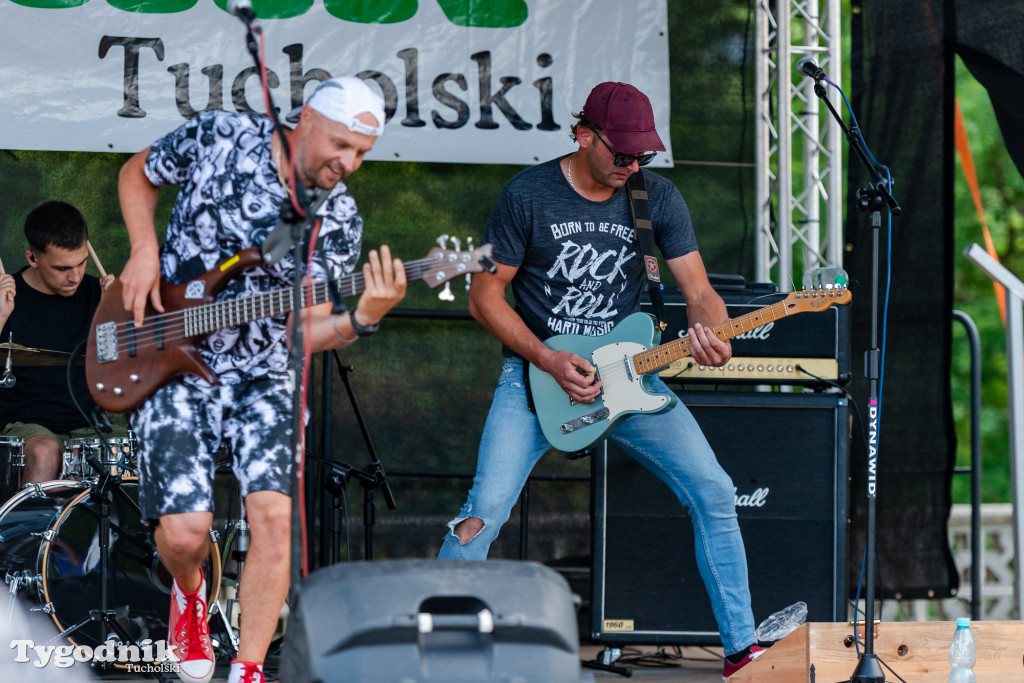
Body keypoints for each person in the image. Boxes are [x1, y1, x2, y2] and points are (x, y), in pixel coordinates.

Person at [437, 82, 764, 678]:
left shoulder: (655, 199)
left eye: (643, 157)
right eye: (622, 155)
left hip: (631, 377)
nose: (632, 166)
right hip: (537, 382)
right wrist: (546, 359)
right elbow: (484, 298)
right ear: (584, 134)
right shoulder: (527, 195)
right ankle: (437, 653)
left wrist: (716, 333)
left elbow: (701, 294)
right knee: (484, 508)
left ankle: (742, 652)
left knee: (715, 491)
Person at [117, 77, 406, 683]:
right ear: (304, 121)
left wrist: (361, 318)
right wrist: (144, 250)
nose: (348, 164)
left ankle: (248, 669)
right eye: (341, 145)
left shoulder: (339, 218)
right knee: (185, 530)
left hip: (265, 373)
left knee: (273, 514)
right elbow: (137, 173)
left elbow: (302, 334)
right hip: (170, 350)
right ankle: (191, 592)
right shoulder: (222, 135)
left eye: (362, 154)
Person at [0, 201, 117, 489]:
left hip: (91, 425)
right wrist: (1, 316)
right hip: (27, 426)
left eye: (81, 263)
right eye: (62, 268)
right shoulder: (7, 297)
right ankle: (30, 536)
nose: (75, 276)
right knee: (43, 451)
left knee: (157, 442)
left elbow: (121, 370)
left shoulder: (99, 295)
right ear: (32, 258)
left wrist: (117, 316)